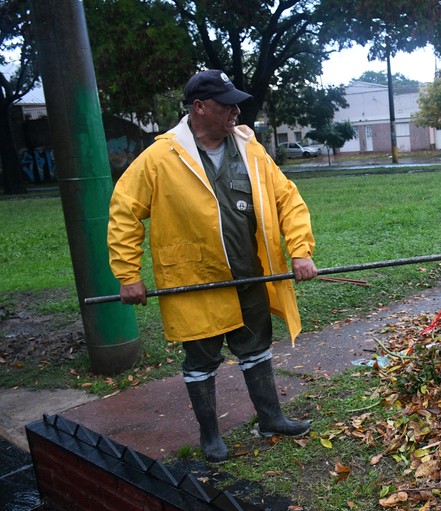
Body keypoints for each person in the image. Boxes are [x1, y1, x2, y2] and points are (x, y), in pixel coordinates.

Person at [107, 70, 317, 462]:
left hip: (250, 273)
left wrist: (300, 250)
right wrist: (128, 275)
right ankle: (210, 436)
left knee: (256, 348)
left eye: (236, 103)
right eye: (226, 104)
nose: (236, 111)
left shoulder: (249, 149)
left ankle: (271, 418)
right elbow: (124, 213)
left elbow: (287, 198)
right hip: (194, 280)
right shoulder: (160, 158)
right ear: (199, 107)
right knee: (201, 360)